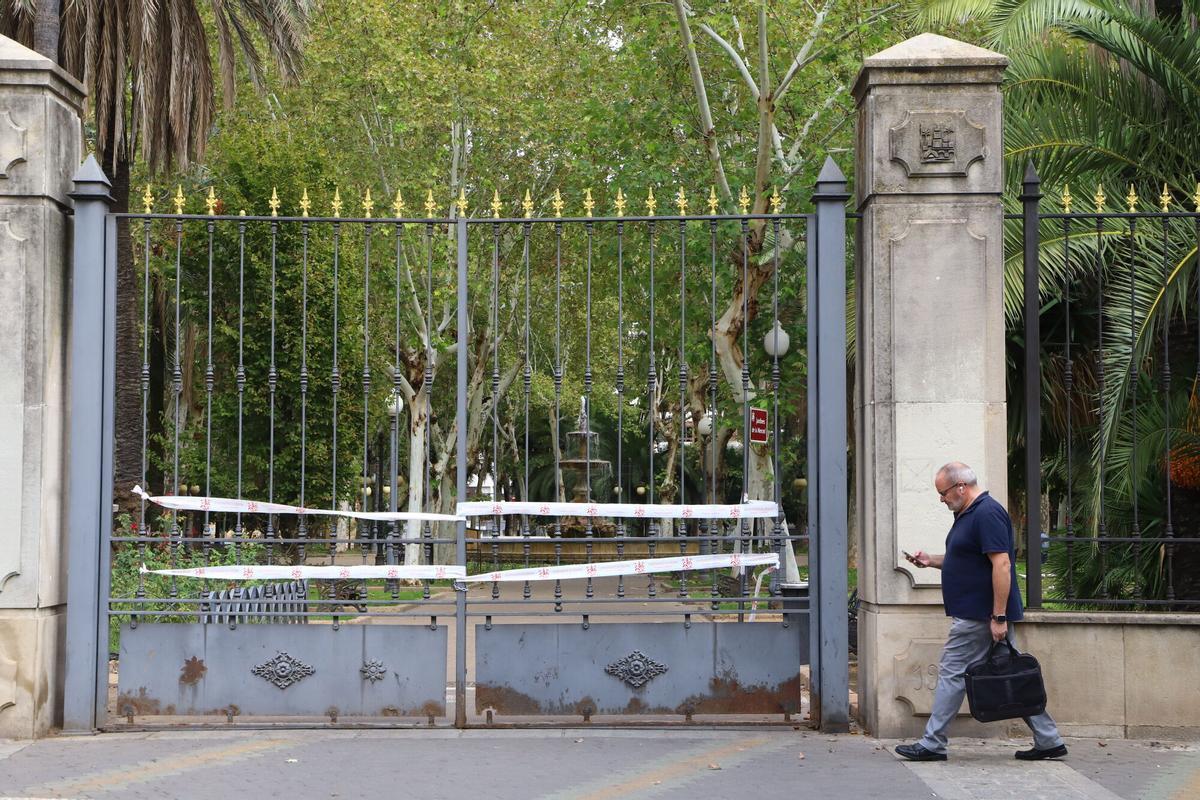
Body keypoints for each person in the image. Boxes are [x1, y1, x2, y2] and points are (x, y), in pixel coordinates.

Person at [894, 462, 1067, 762]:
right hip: (983, 615)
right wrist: (930, 561)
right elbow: (968, 561)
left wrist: (998, 616)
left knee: (951, 672)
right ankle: (1049, 739)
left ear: (961, 486)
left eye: (943, 492)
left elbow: (1002, 564)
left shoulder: (986, 513)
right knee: (1012, 674)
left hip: (980, 616)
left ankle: (933, 743)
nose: (941, 499)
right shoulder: (968, 514)